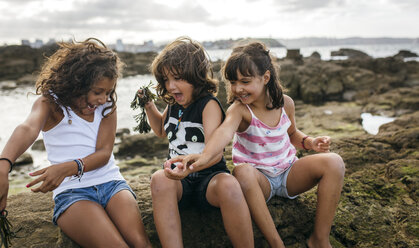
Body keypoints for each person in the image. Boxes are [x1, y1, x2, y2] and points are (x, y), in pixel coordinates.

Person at [168, 42, 345, 248]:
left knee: (335, 162)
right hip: (261, 183)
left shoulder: (285, 103)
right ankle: (276, 243)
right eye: (233, 82)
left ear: (266, 78)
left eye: (245, 81)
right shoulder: (240, 110)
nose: (238, 89)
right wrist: (201, 159)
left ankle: (319, 239)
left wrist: (310, 142)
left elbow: (292, 133)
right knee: (242, 172)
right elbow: (223, 132)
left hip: (289, 174)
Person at [0, 38, 150, 248]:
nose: (103, 99)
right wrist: (3, 165)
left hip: (112, 184)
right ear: (77, 83)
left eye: (108, 92)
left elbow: (104, 153)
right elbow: (27, 129)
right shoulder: (49, 103)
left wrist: (68, 167)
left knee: (142, 244)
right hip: (73, 194)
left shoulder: (107, 107)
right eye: (98, 92)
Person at [137, 36, 253, 247]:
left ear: (196, 76)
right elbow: (162, 131)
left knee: (229, 185)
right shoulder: (173, 104)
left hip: (209, 179)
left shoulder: (208, 105)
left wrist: (191, 167)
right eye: (165, 80)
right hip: (179, 182)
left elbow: (214, 152)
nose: (171, 86)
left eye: (178, 78)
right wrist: (148, 106)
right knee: (159, 178)